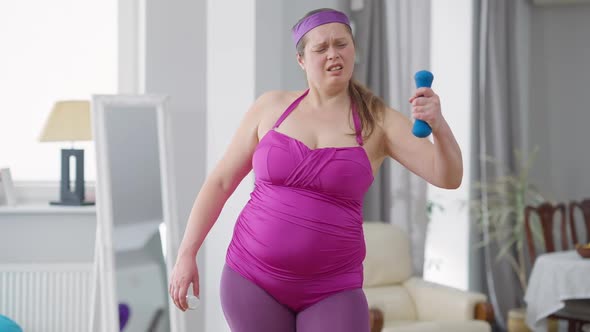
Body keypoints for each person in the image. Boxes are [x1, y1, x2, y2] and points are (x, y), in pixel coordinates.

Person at [168, 7, 462, 332]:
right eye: (320, 48)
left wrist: (439, 126)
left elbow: (447, 176)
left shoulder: (379, 120)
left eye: (341, 44)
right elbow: (220, 182)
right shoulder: (270, 107)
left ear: (354, 50)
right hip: (251, 278)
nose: (333, 54)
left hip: (333, 290)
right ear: (302, 60)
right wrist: (186, 253)